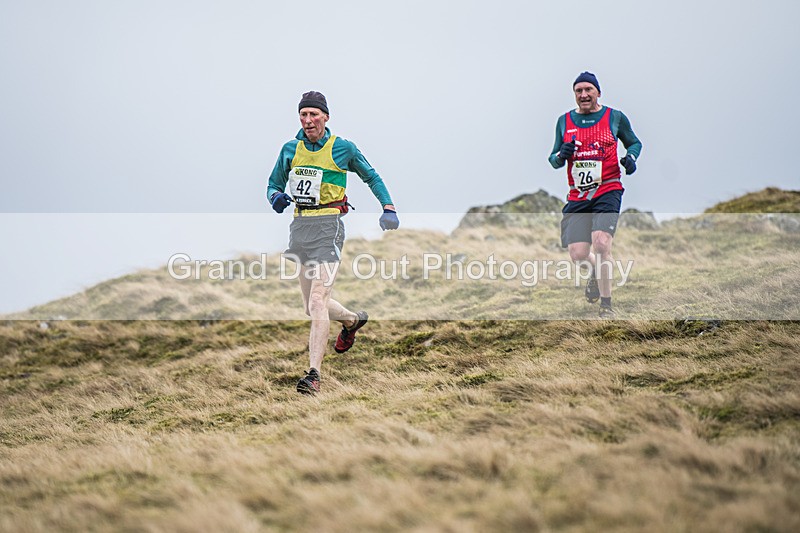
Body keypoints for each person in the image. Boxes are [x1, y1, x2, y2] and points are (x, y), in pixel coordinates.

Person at [267, 91, 399, 394]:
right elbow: (273, 183)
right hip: (300, 227)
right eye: (303, 115)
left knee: (317, 301)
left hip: (329, 226)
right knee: (310, 307)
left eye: (314, 114)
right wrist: (275, 197)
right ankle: (352, 321)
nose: (308, 120)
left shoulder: (343, 148)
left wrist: (388, 207)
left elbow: (371, 176)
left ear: (326, 117)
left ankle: (313, 375)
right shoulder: (290, 149)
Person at [548, 72, 642, 318]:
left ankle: (607, 306)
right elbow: (553, 159)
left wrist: (630, 159)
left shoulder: (615, 117)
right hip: (578, 196)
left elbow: (634, 143)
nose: (584, 95)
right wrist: (561, 155)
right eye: (578, 91)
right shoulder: (564, 121)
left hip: (608, 188)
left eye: (588, 89)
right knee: (578, 254)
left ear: (598, 92)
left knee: (601, 244)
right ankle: (594, 272)